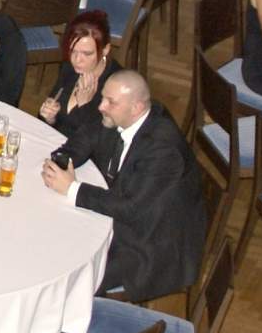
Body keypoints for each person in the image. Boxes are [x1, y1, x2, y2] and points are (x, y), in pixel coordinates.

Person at [41, 70, 205, 302]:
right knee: (53, 237)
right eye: (103, 98)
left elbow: (131, 209)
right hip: (126, 213)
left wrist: (72, 188)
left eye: (110, 102)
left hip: (148, 244)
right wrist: (62, 161)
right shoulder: (123, 115)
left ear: (136, 107)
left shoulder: (163, 151)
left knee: (70, 273)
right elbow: (89, 135)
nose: (101, 106)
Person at [37, 10, 119, 139]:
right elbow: (50, 122)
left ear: (105, 50)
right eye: (73, 51)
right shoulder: (70, 68)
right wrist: (50, 118)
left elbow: (100, 144)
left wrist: (84, 107)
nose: (77, 60)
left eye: (87, 54)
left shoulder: (117, 87)